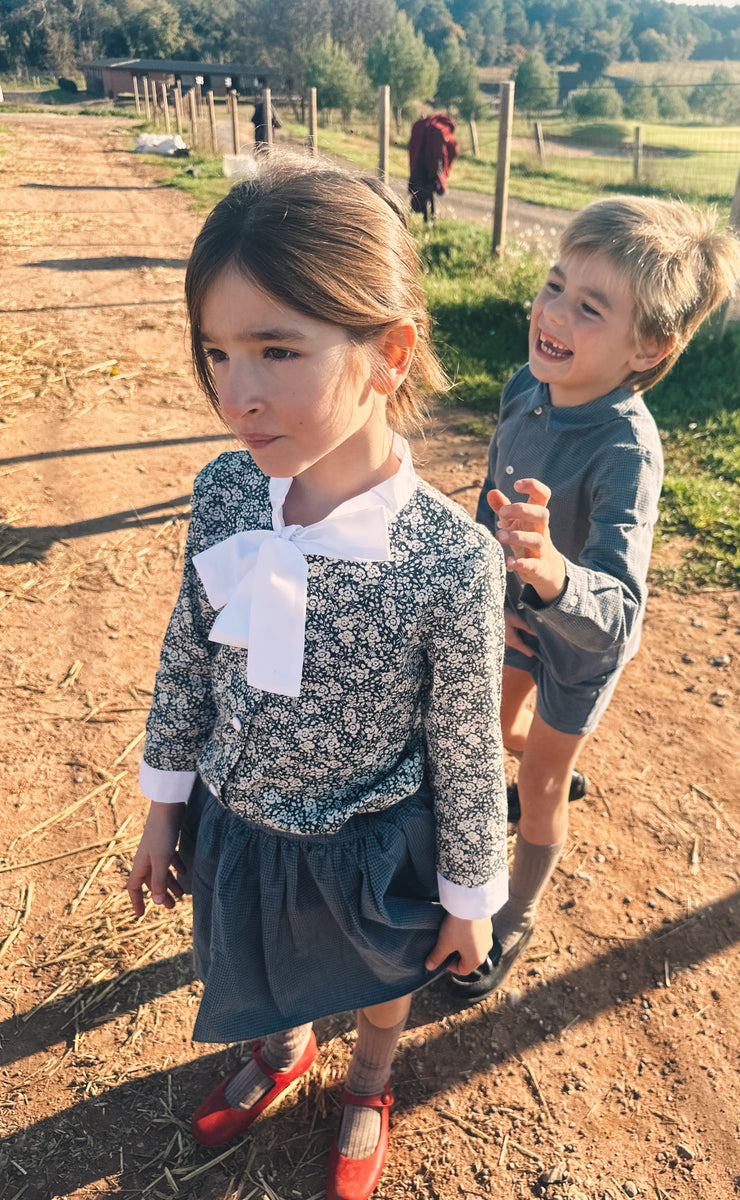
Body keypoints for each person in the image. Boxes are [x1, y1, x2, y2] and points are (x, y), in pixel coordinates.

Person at [125, 155, 509, 1200]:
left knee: (385, 974)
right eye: (217, 353)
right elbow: (187, 652)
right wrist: (165, 807)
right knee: (253, 955)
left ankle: (370, 1076)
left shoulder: (449, 559)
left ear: (391, 353)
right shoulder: (225, 493)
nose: (234, 395)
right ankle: (284, 1046)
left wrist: (470, 899)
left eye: (277, 350)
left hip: (366, 840)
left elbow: (470, 747)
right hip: (241, 821)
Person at [447, 196, 740, 1002]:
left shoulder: (627, 450)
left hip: (581, 646)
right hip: (516, 610)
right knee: (486, 729)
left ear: (649, 346)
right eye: (553, 286)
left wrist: (548, 571)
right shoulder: (523, 387)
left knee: (540, 789)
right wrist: (490, 566)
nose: (553, 313)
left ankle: (516, 912)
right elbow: (494, 491)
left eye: (590, 307)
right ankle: (541, 760)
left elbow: (618, 609)